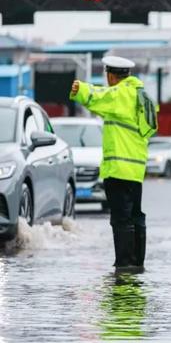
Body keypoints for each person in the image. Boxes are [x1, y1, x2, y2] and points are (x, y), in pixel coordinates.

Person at [70, 56, 158, 272]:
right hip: (136, 169)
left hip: (119, 168)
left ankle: (125, 264)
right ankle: (137, 261)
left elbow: (99, 97)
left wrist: (80, 89)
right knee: (135, 215)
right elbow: (105, 106)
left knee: (121, 219)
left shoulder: (121, 94)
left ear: (111, 75)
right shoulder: (142, 96)